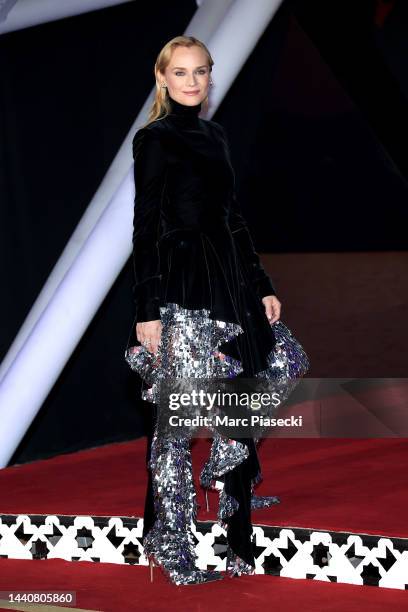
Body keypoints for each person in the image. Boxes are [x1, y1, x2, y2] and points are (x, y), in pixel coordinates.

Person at [125, 36, 310, 586]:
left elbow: (233, 217)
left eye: (200, 72)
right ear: (162, 79)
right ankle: (170, 542)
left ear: (210, 77)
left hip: (230, 281)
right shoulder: (153, 140)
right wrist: (149, 308)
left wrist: (260, 284)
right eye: (179, 73)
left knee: (277, 366)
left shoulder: (217, 135)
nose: (191, 82)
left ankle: (230, 471)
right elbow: (146, 226)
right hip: (182, 284)